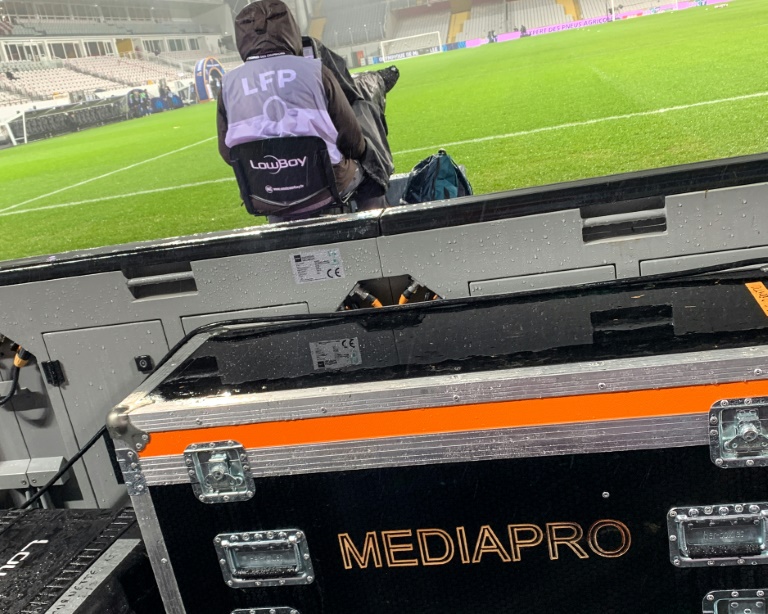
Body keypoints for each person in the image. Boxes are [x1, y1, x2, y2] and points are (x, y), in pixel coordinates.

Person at [217, 0, 397, 220]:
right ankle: (375, 225)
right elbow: (352, 141)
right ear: (289, 29)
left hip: (264, 197)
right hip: (324, 189)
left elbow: (229, 154)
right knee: (371, 168)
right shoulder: (316, 71)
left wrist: (277, 166)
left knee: (277, 188)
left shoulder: (227, 85)